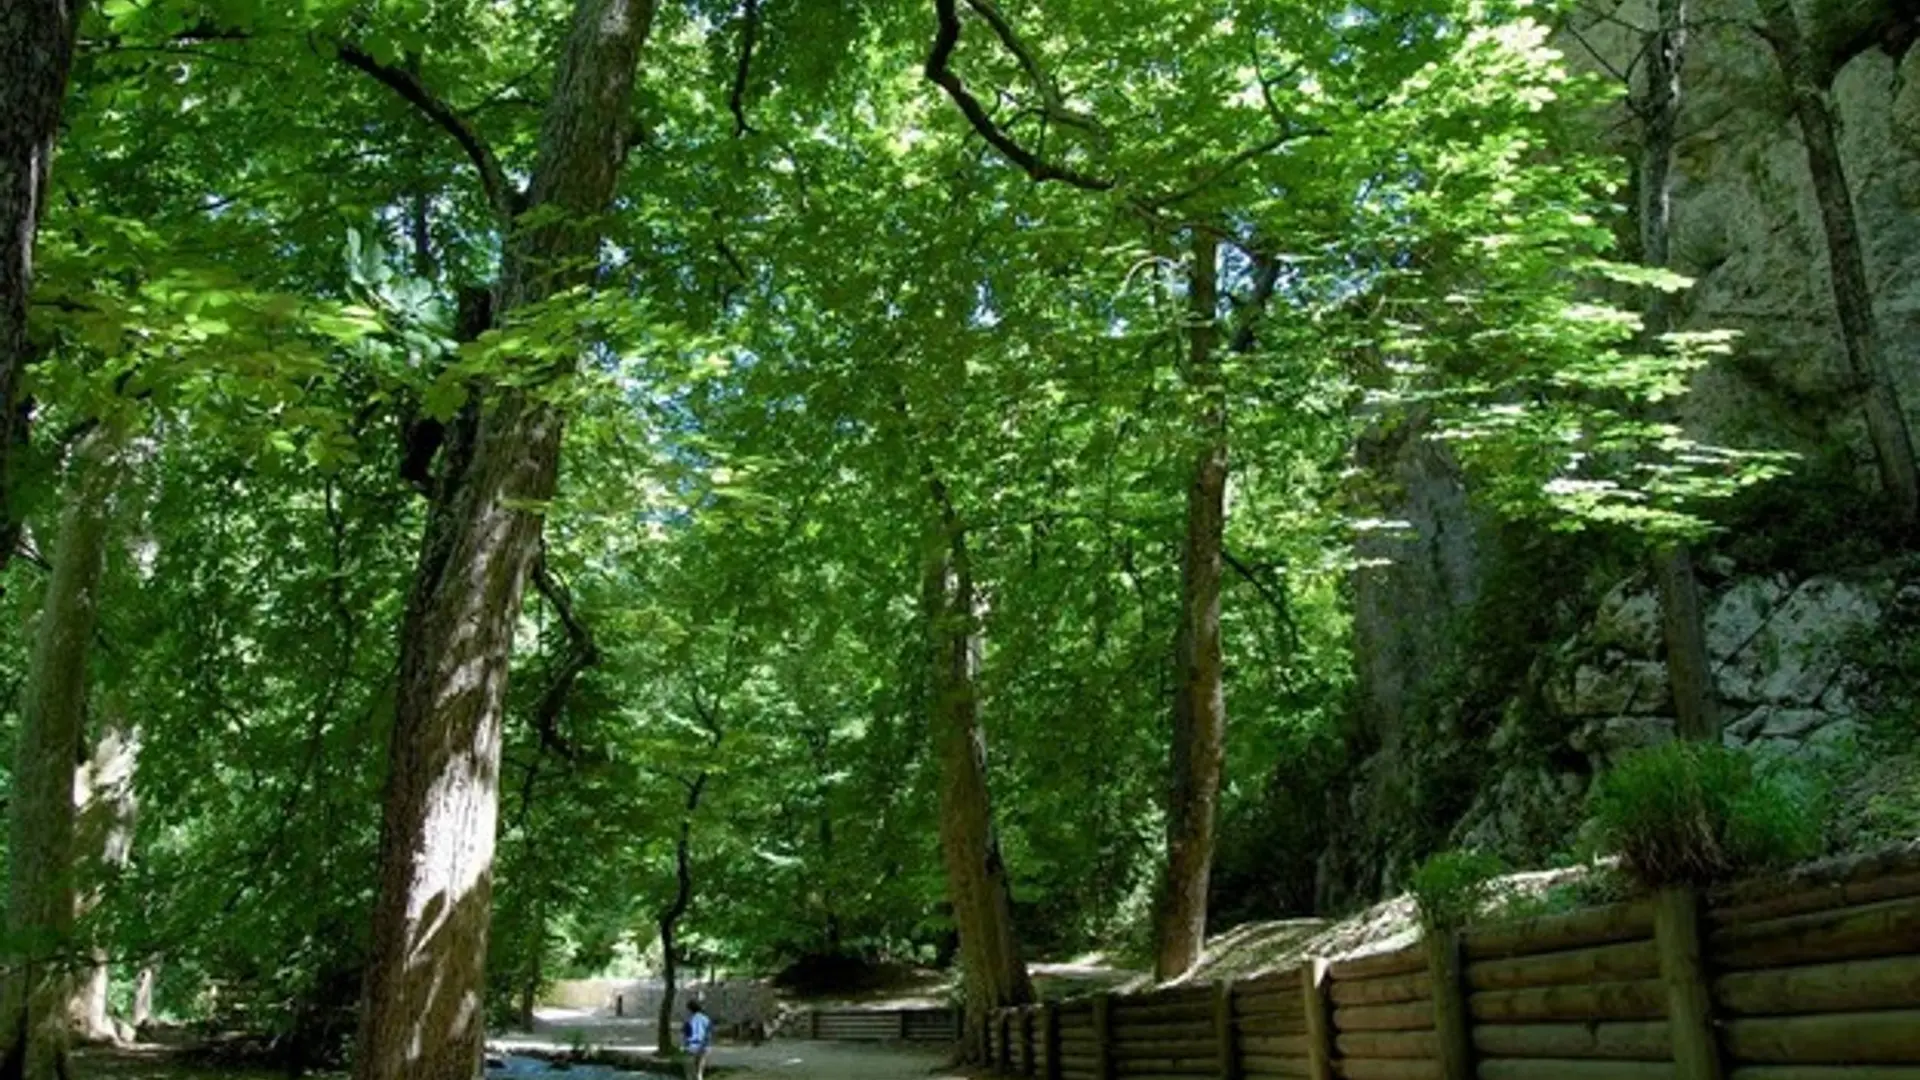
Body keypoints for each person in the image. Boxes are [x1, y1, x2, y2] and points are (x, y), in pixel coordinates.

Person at [681, 999, 713, 1080]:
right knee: (700, 1066)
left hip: (693, 1045)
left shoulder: (689, 1020)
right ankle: (699, 1075)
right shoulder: (706, 1019)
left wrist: (683, 1046)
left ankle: (692, 1077)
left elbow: (685, 1035)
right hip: (705, 1046)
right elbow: (708, 1033)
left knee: (687, 1065)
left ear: (689, 1009)